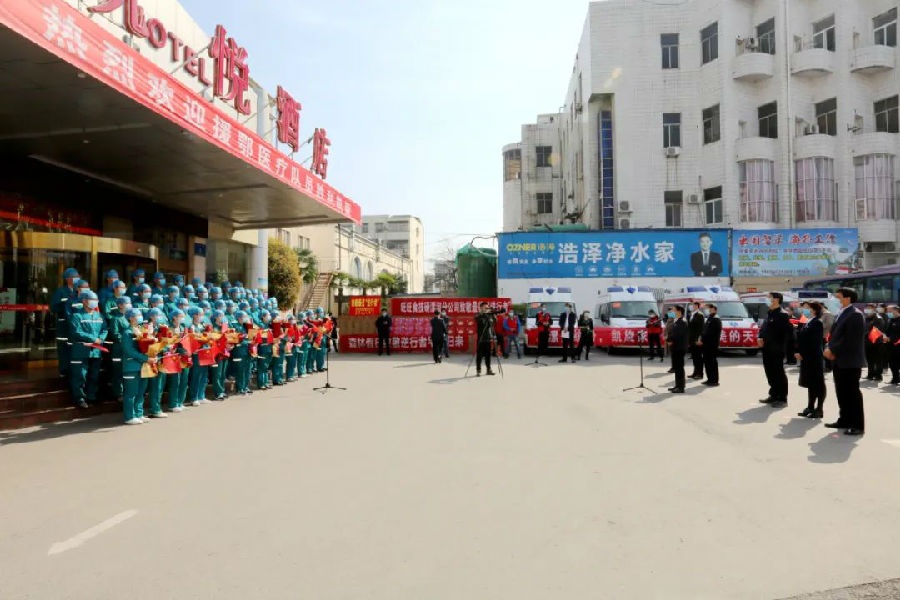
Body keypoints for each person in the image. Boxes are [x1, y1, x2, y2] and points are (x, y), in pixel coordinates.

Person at [824, 287, 866, 435]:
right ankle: (844, 420)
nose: (836, 300)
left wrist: (833, 351)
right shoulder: (841, 313)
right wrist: (829, 347)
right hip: (839, 360)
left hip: (850, 361)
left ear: (847, 298)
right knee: (841, 392)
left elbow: (851, 340)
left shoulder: (855, 315)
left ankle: (857, 425)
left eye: (838, 297)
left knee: (852, 393)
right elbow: (835, 336)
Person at [68, 291, 108, 408]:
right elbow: (77, 332)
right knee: (80, 375)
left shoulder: (99, 316)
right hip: (81, 351)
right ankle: (79, 398)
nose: (95, 302)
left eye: (96, 300)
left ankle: (91, 396)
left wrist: (101, 338)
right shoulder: (77, 316)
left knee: (94, 375)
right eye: (92, 300)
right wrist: (93, 339)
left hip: (96, 351)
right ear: (84, 301)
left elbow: (105, 329)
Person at [121, 308, 154, 425]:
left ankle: (139, 414)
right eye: (137, 315)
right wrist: (145, 358)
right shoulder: (127, 333)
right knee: (131, 393)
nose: (140, 317)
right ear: (130, 318)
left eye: (140, 314)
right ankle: (129, 416)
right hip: (131, 366)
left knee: (141, 392)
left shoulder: (142, 331)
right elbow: (129, 350)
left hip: (143, 366)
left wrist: (152, 354)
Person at [758, 292, 792, 407]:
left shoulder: (783, 314)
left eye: (770, 298)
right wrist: (760, 337)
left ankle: (782, 398)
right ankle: (773, 394)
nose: (768, 300)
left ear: (777, 299)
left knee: (778, 373)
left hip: (777, 349)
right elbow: (764, 328)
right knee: (770, 372)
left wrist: (782, 348)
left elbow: (786, 334)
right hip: (767, 347)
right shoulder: (770, 312)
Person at [796, 301, 826, 419]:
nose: (805, 310)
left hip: (814, 357)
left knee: (818, 384)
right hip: (807, 357)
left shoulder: (817, 322)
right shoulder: (808, 321)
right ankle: (810, 407)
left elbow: (814, 342)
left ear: (814, 310)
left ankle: (819, 409)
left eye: (807, 308)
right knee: (811, 384)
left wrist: (803, 354)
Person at [50, 268, 80, 379]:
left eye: (77, 276)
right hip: (63, 325)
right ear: (67, 279)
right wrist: (65, 305)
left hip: (76, 326)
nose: (76, 279)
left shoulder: (79, 291)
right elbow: (53, 307)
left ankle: (74, 370)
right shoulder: (60, 291)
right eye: (73, 277)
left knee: (75, 348)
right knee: (63, 349)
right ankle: (64, 370)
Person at [697, 303, 721, 386]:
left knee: (712, 363)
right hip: (706, 344)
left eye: (711, 308)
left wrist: (702, 340)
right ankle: (709, 379)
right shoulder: (710, 318)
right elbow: (704, 330)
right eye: (708, 308)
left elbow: (710, 333)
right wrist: (700, 338)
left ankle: (714, 380)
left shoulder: (716, 319)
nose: (709, 310)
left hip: (712, 345)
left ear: (715, 309)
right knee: (707, 362)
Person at [667, 306, 688, 393]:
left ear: (679, 312)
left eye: (674, 310)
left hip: (679, 347)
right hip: (675, 347)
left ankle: (681, 387)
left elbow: (678, 335)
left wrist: (670, 340)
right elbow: (672, 333)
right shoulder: (676, 320)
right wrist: (669, 339)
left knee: (679, 367)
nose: (672, 312)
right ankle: (677, 385)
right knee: (677, 367)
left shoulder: (682, 321)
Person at [864, 303, 887, 382]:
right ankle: (870, 374)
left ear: (874, 309)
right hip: (868, 342)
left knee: (878, 360)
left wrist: (865, 334)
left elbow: (877, 330)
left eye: (869, 308)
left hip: (877, 342)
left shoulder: (878, 318)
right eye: (867, 308)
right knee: (869, 359)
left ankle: (878, 376)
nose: (867, 310)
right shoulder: (866, 318)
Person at [474, 302, 496, 376]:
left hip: (488, 338)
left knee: (488, 355)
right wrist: (483, 313)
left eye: (487, 307)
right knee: (479, 356)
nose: (487, 308)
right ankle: (478, 370)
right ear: (481, 308)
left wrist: (493, 314)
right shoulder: (478, 315)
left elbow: (495, 322)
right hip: (481, 339)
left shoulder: (489, 315)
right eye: (485, 307)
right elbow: (477, 319)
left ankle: (488, 369)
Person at [688, 301, 705, 378]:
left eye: (695, 305)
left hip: (697, 338)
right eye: (693, 305)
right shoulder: (692, 314)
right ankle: (695, 372)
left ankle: (700, 374)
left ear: (698, 306)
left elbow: (701, 328)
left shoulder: (700, 315)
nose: (693, 307)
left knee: (698, 357)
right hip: (692, 338)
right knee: (694, 357)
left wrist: (699, 338)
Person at [886, 305, 900, 385]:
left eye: (890, 311)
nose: (888, 313)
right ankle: (895, 379)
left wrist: (891, 338)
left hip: (898, 345)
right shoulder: (890, 320)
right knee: (892, 363)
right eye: (887, 311)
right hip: (890, 346)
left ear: (896, 310)